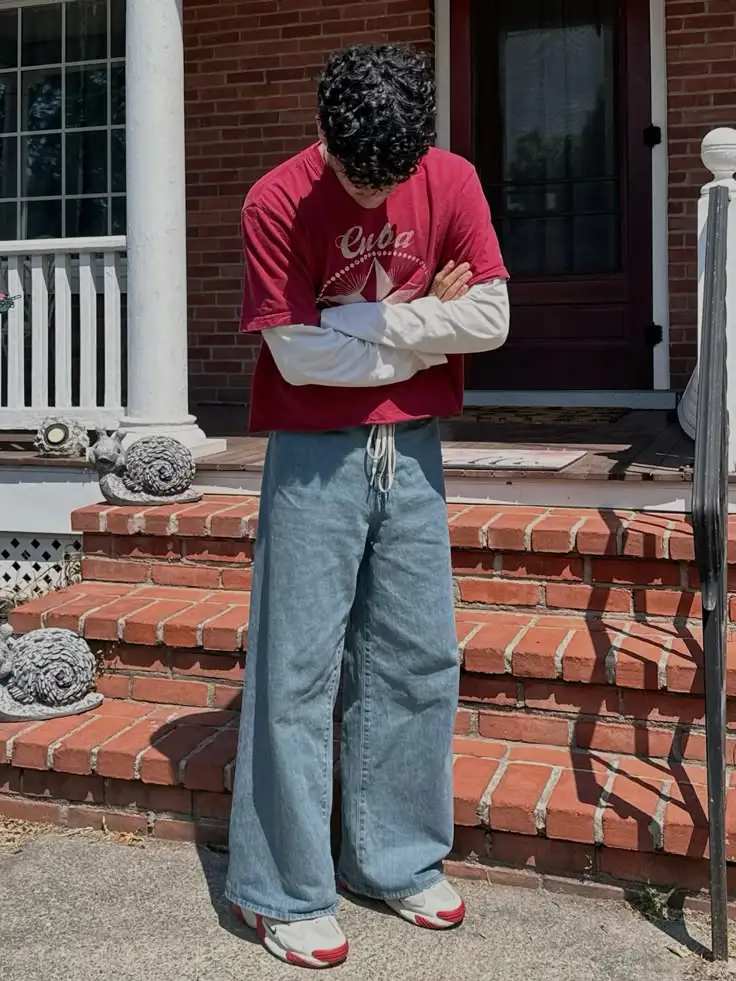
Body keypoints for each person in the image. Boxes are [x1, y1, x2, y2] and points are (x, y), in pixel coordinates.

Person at [226, 43, 510, 969]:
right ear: (324, 136)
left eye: (393, 179)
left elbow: (494, 320)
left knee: (420, 653)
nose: (373, 196)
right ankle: (283, 890)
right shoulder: (275, 201)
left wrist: (351, 323)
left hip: (416, 451)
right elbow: (297, 359)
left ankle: (396, 858)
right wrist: (428, 324)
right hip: (312, 456)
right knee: (296, 667)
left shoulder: (453, 178)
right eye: (355, 178)